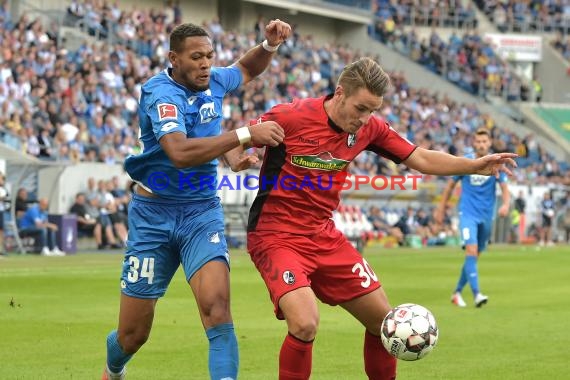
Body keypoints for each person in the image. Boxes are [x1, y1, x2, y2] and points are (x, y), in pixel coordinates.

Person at [233, 57, 516, 380]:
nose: (365, 118)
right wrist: (234, 158)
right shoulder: (290, 115)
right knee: (305, 322)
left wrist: (474, 165)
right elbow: (238, 136)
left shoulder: (370, 129)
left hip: (323, 235)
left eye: (373, 111)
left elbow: (420, 157)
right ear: (339, 93)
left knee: (385, 323)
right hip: (275, 235)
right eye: (361, 108)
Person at [102, 20, 291, 380]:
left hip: (201, 212)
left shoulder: (214, 80)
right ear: (174, 58)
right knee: (132, 335)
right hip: (152, 216)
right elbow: (180, 152)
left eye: (209, 56)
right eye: (196, 57)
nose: (205, 64)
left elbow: (246, 68)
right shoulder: (160, 94)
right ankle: (113, 369)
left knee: (217, 309)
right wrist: (243, 136)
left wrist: (268, 45)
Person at [436, 128, 511, 309]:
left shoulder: (495, 163)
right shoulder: (466, 162)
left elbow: (505, 188)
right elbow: (450, 185)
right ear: (473, 143)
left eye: (484, 142)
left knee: (474, 256)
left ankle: (457, 293)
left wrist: (506, 204)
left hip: (486, 216)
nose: (481, 145)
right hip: (467, 213)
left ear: (489, 143)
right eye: (478, 141)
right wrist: (441, 207)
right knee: (471, 251)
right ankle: (477, 295)